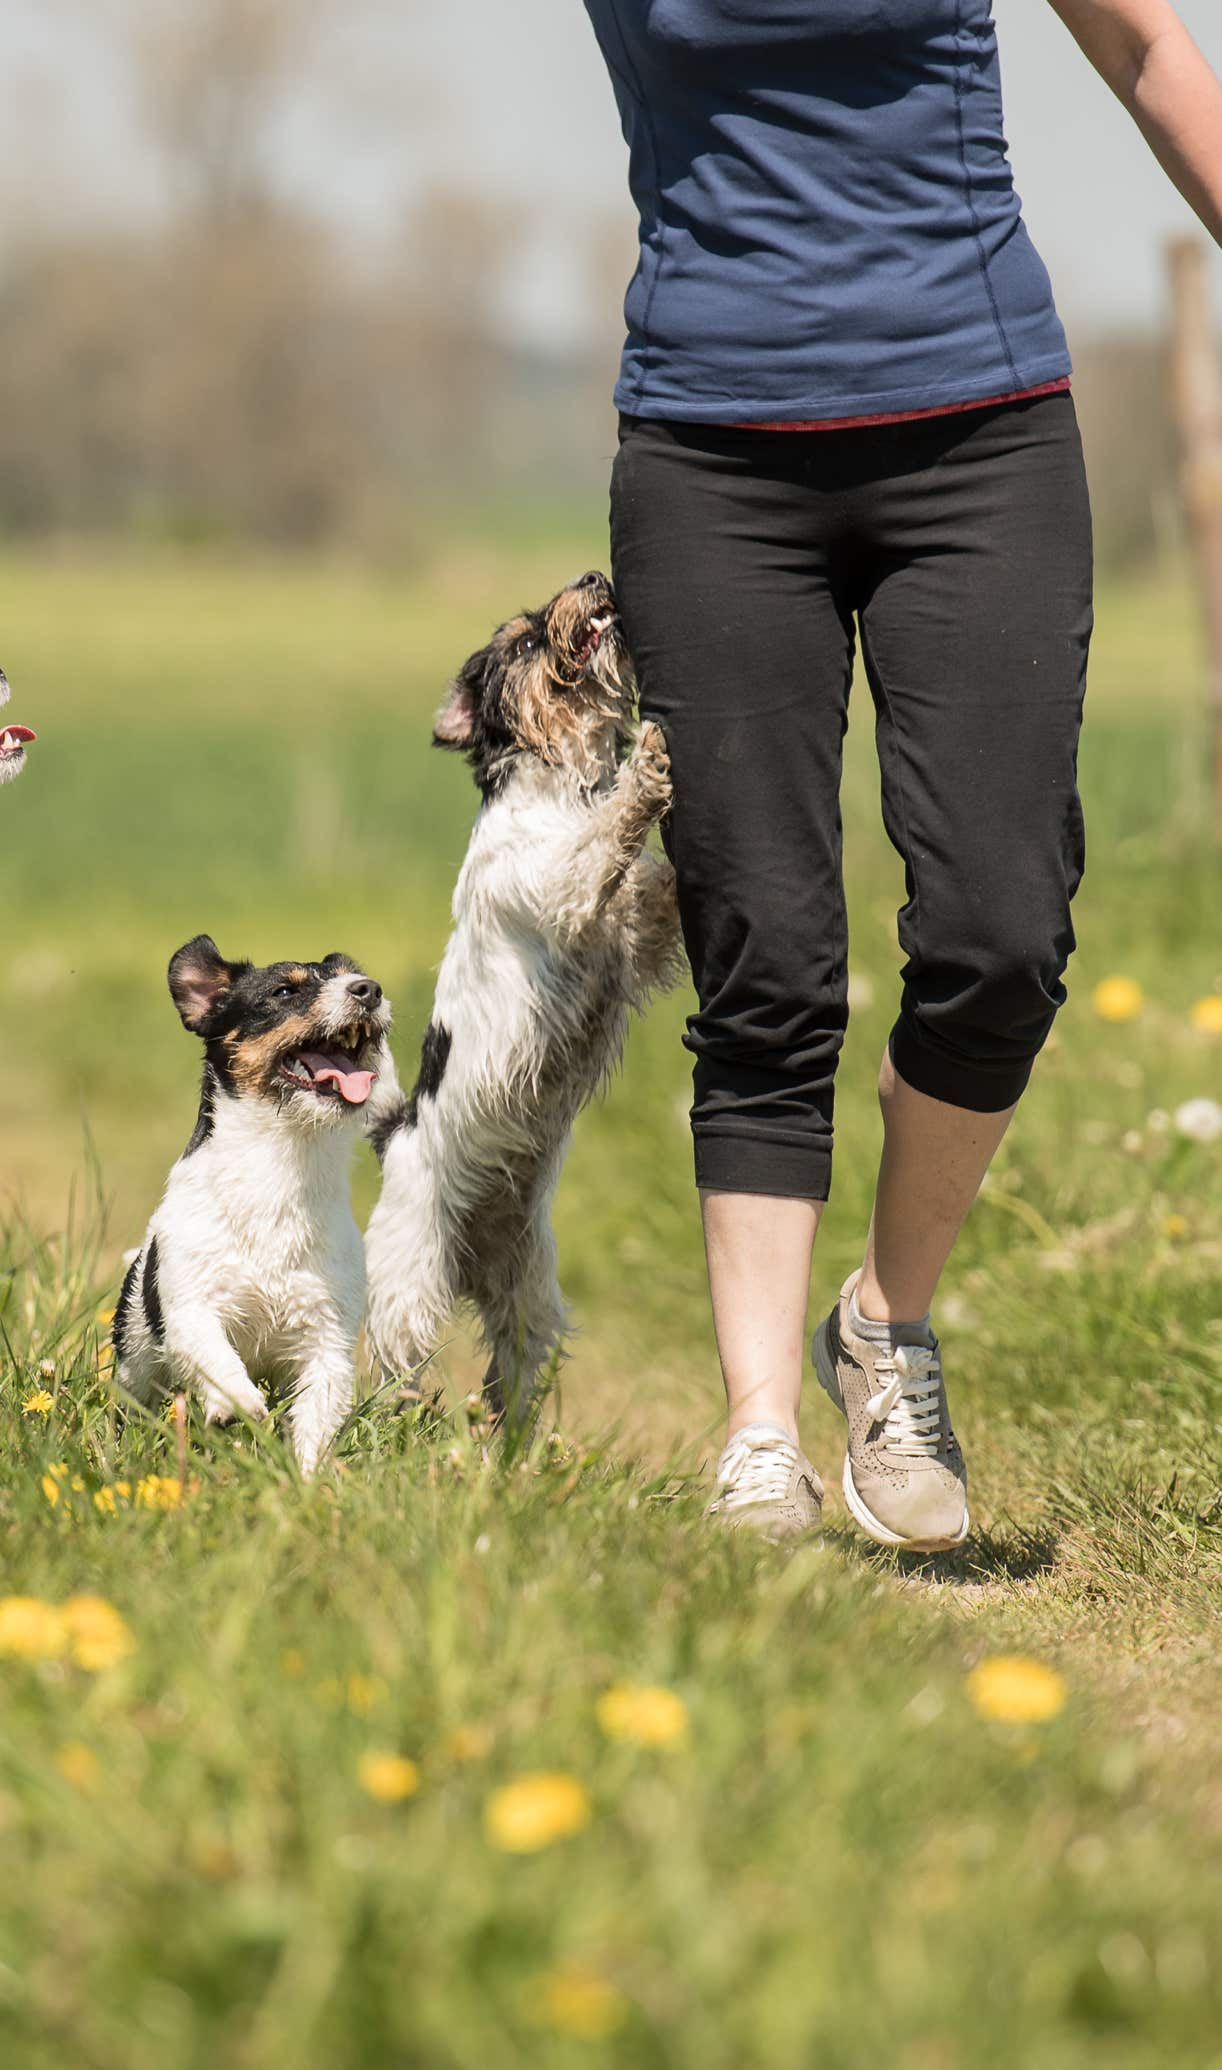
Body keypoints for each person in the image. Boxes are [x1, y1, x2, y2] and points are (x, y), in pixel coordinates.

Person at [582, 0, 1222, 1544]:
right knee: (763, 943)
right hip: (711, 456)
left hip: (979, 436)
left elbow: (1146, 50)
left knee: (1003, 928)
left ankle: (883, 1323)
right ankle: (754, 1433)